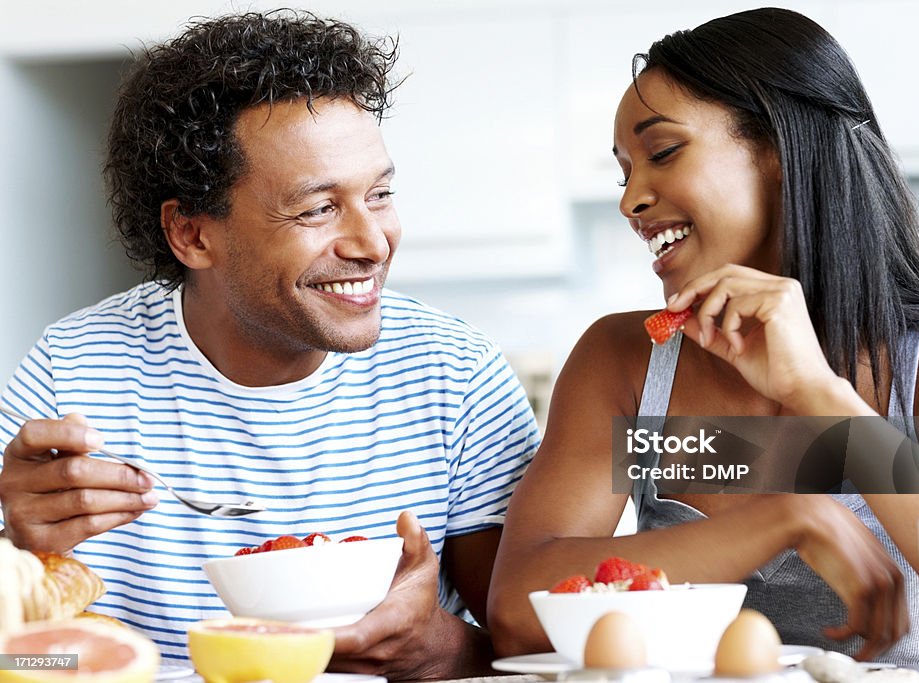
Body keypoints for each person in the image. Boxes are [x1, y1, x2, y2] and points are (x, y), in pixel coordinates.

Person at [0, 10, 539, 678]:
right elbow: (28, 658)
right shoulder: (70, 375)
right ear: (192, 234)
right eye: (318, 208)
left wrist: (439, 648)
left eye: (380, 193)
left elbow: (542, 652)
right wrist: (16, 551)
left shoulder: (456, 376)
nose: (372, 243)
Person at [488, 7, 919, 667]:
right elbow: (516, 609)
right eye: (624, 171)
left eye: (662, 153)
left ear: (778, 149)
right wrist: (777, 521)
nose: (631, 200)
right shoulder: (626, 360)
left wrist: (819, 396)